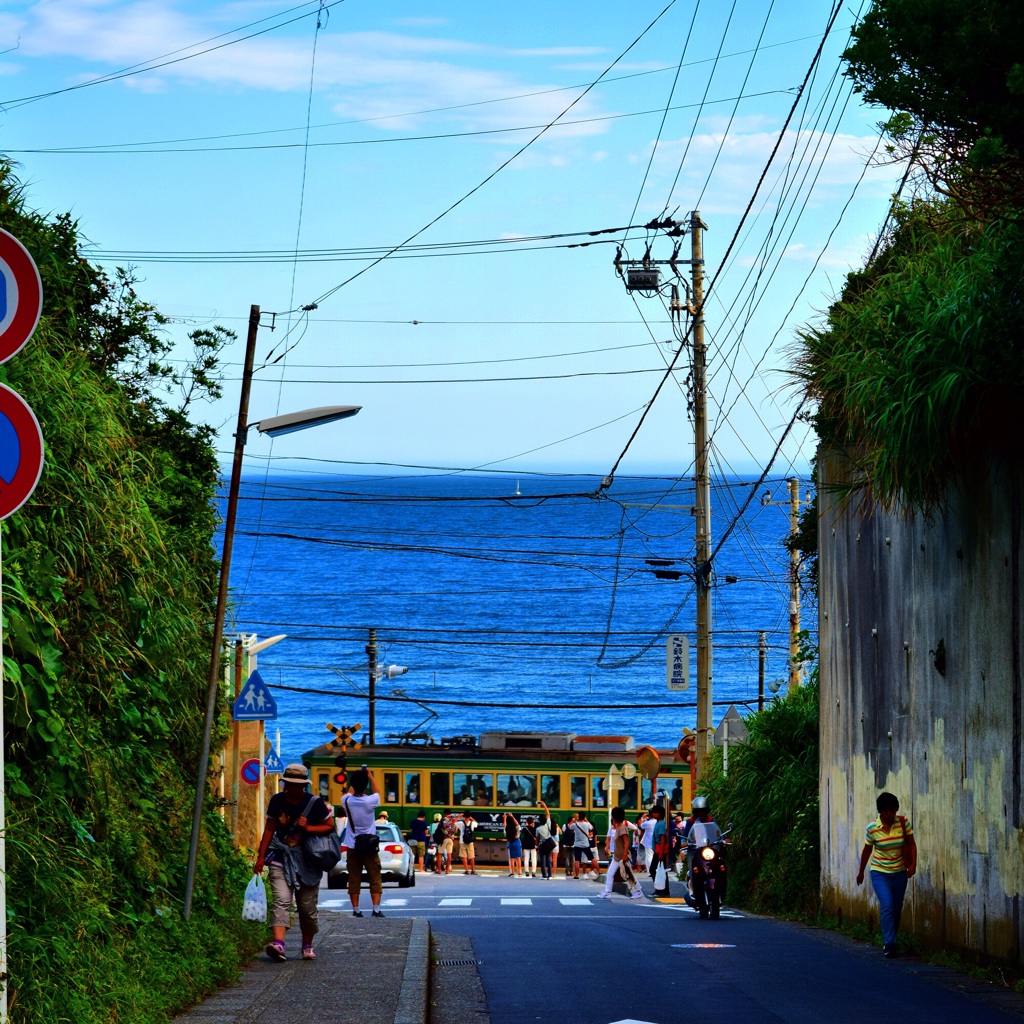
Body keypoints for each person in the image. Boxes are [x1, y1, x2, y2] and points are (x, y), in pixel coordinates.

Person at [254, 762, 335, 961]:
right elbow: (270, 828)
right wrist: (261, 856)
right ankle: (279, 944)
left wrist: (308, 828)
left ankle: (307, 945)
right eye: (288, 784)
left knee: (307, 908)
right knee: (281, 900)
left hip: (308, 860)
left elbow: (330, 826)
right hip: (280, 856)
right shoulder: (277, 800)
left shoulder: (314, 803)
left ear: (303, 785)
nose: (291, 788)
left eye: (296, 784)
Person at [857, 792, 917, 958]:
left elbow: (911, 844)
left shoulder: (903, 824)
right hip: (879, 872)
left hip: (899, 873)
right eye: (887, 811)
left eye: (893, 810)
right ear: (880, 812)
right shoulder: (872, 829)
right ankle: (889, 943)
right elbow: (867, 851)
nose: (890, 814)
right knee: (887, 904)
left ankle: (892, 938)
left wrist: (913, 865)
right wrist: (861, 871)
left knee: (896, 909)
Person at [341, 767, 385, 919]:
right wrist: (369, 776)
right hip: (370, 847)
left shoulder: (346, 800)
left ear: (352, 784)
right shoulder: (370, 801)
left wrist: (358, 778)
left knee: (354, 878)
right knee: (375, 877)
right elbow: (377, 790)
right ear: (365, 785)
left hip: (353, 846)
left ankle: (356, 910)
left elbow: (352, 790)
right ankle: (376, 909)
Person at [598, 806, 646, 901]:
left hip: (622, 857)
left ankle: (638, 891)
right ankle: (608, 892)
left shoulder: (622, 828)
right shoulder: (619, 827)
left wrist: (624, 855)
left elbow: (626, 841)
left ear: (614, 817)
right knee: (614, 874)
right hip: (618, 857)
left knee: (628, 874)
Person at [572, 811, 596, 879]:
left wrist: (574, 819)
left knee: (577, 860)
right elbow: (592, 828)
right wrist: (585, 819)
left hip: (577, 844)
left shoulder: (575, 824)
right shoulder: (587, 824)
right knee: (592, 858)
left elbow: (569, 827)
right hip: (586, 844)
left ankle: (576, 875)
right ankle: (599, 871)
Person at [536, 801, 556, 879]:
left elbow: (537, 839)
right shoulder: (548, 824)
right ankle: (550, 875)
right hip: (549, 844)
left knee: (543, 861)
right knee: (549, 860)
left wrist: (536, 846)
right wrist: (544, 804)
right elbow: (548, 814)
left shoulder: (538, 829)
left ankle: (544, 875)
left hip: (542, 845)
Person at [503, 811, 523, 876]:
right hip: (517, 842)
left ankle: (512, 872)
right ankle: (519, 872)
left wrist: (504, 818)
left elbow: (505, 825)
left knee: (512, 858)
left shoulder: (507, 829)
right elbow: (517, 824)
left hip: (510, 843)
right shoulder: (516, 828)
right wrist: (512, 816)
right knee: (518, 858)